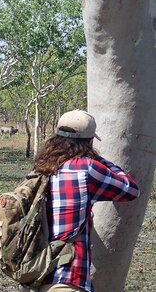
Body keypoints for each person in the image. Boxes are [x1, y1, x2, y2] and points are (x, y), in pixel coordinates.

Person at [32, 110, 140, 292]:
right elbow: (131, 189)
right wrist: (101, 160)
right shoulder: (87, 169)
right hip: (68, 278)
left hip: (36, 274)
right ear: (89, 141)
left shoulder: (41, 168)